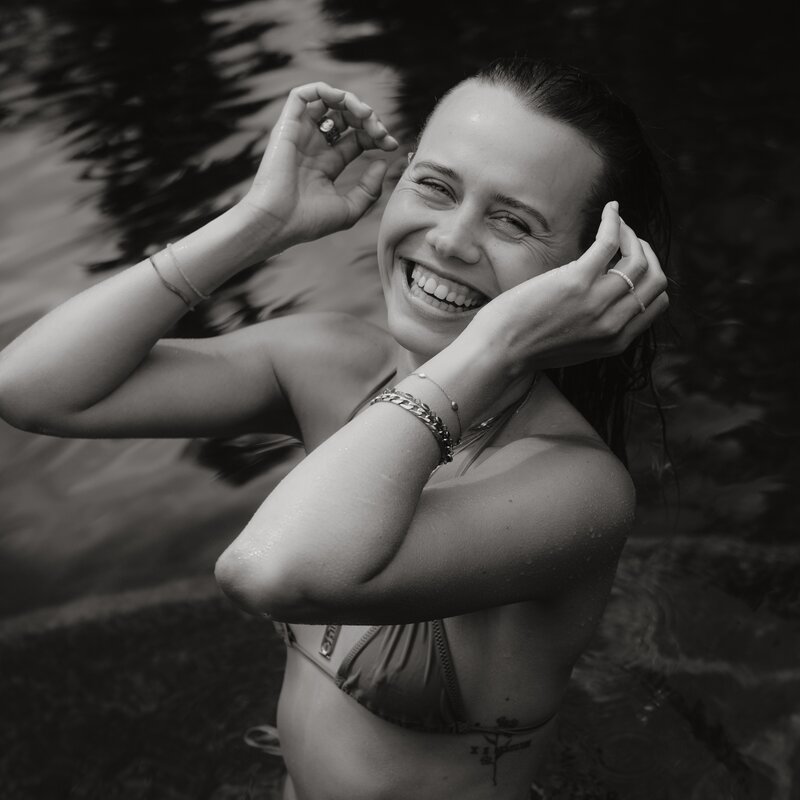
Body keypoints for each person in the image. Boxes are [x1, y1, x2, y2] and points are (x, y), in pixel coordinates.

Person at [0, 57, 669, 799]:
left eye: (512, 220)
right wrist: (259, 223)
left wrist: (498, 346)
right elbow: (34, 391)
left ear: (591, 270)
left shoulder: (575, 488)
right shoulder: (332, 365)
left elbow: (269, 572)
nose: (450, 240)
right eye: (435, 187)